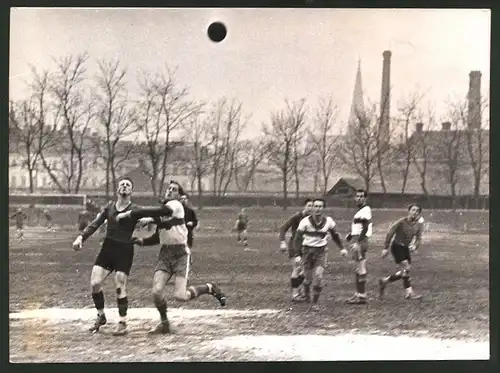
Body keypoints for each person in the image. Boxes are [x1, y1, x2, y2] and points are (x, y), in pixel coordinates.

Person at [117, 180, 226, 334]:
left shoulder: (175, 205)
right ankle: (164, 323)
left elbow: (161, 213)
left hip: (181, 254)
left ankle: (209, 288)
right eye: (168, 189)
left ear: (180, 196)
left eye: (174, 189)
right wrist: (141, 241)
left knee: (181, 296)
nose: (169, 191)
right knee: (156, 292)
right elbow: (158, 237)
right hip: (165, 254)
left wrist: (132, 213)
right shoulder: (163, 211)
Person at [72, 178, 141, 336]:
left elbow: (150, 217)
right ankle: (101, 316)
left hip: (125, 249)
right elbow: (95, 224)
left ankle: (122, 322)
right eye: (122, 184)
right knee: (95, 283)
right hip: (108, 248)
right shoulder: (109, 207)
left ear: (131, 191)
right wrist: (81, 238)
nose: (124, 186)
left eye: (128, 185)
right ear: (118, 189)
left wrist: (148, 219)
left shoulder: (135, 209)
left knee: (120, 283)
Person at [294, 198, 347, 311]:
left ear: (323, 208)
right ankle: (306, 288)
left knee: (318, 276)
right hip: (307, 251)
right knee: (308, 280)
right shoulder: (305, 222)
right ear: (312, 208)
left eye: (320, 206)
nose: (318, 209)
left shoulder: (329, 221)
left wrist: (342, 248)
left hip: (321, 252)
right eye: (316, 206)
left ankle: (314, 303)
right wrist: (297, 255)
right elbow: (297, 239)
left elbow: (335, 235)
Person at [378, 204, 424, 300]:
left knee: (405, 272)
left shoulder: (418, 225)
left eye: (417, 211)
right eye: (413, 210)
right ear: (409, 211)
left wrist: (415, 246)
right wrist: (385, 248)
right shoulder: (401, 222)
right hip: (397, 247)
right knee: (406, 267)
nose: (414, 212)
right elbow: (390, 233)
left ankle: (384, 281)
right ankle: (410, 293)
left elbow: (419, 238)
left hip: (406, 249)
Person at [279, 198, 314, 301]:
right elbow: (283, 228)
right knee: (297, 268)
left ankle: (298, 291)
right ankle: (295, 294)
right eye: (309, 206)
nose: (311, 208)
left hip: (306, 247)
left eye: (312, 206)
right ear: (304, 206)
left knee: (305, 271)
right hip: (294, 246)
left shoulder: (313, 219)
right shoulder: (297, 217)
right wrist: (282, 242)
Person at [345, 189, 372, 305]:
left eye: (362, 196)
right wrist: (351, 235)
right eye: (358, 196)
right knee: (358, 268)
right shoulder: (361, 210)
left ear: (365, 198)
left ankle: (362, 295)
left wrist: (357, 242)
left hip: (360, 241)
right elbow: (360, 226)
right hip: (358, 239)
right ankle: (359, 294)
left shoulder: (365, 209)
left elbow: (365, 228)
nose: (359, 198)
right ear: (355, 198)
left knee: (360, 268)